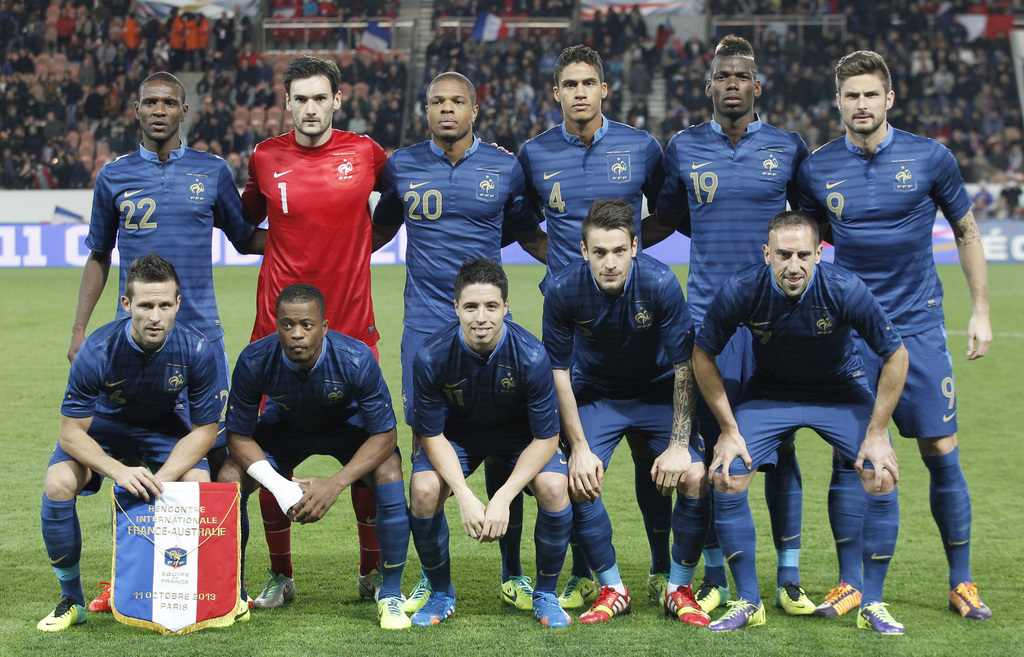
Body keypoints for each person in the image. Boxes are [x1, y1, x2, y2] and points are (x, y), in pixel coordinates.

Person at [798, 50, 993, 620]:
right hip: (853, 335)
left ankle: (962, 581)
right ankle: (850, 582)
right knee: (849, 458)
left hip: (918, 329)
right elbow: (805, 247)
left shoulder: (931, 157)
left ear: (889, 98)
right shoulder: (816, 168)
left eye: (870, 94)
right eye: (850, 95)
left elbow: (967, 230)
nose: (861, 105)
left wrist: (979, 310)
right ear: (838, 102)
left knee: (939, 452)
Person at [67, 71, 263, 613]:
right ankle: (127, 579)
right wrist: (82, 330)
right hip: (133, 350)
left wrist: (321, 233)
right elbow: (99, 254)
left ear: (184, 112)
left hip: (202, 344)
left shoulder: (212, 171)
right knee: (129, 450)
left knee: (223, 465)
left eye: (169, 102)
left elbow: (246, 238)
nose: (159, 110)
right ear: (136, 109)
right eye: (150, 101)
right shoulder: (114, 176)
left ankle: (231, 582)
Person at [644, 35, 813, 616]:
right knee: (714, 449)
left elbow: (813, 228)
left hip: (775, 325)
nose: (733, 83)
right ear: (710, 85)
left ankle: (788, 576)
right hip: (707, 324)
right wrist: (594, 251)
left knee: (781, 449)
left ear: (756, 86)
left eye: (743, 75)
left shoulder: (789, 149)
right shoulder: (684, 148)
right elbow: (666, 217)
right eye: (724, 75)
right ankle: (715, 573)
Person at [371, 71, 547, 614]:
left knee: (502, 444)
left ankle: (513, 573)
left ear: (476, 109)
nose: (447, 110)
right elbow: (373, 235)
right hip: (428, 332)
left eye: (458, 102)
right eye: (437, 102)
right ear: (425, 109)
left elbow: (528, 232)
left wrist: (577, 268)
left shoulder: (505, 166)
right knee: (431, 453)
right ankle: (434, 579)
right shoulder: (401, 166)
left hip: (489, 328)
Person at [694, 211, 908, 633]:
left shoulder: (845, 287)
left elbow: (895, 353)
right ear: (767, 253)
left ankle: (873, 604)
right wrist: (729, 429)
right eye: (784, 255)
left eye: (804, 255)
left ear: (819, 254)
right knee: (727, 473)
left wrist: (878, 433)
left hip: (839, 390)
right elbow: (703, 353)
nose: (794, 266)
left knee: (881, 473)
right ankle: (748, 601)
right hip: (772, 392)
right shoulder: (742, 288)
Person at [518, 43, 670, 610]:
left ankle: (660, 566)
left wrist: (626, 260)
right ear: (555, 93)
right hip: (571, 324)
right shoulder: (534, 154)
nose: (580, 92)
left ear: (605, 89)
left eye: (589, 83)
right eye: (569, 84)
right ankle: (586, 573)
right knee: (573, 457)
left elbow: (669, 210)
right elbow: (518, 221)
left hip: (632, 324)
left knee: (647, 456)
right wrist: (563, 263)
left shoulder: (641, 147)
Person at [242, 55, 386, 608]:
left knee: (376, 459)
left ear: (336, 101)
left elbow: (392, 207)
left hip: (352, 329)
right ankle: (281, 577)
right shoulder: (265, 157)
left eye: (319, 98)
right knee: (263, 462)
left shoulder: (366, 152)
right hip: (275, 336)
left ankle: (372, 574)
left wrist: (361, 246)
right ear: (287, 103)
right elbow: (243, 225)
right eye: (299, 98)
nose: (309, 108)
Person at [39, 254, 228, 631]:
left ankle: (175, 592)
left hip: (163, 433)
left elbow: (205, 431)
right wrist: (119, 472)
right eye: (144, 305)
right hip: (104, 434)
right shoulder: (97, 350)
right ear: (127, 305)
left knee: (197, 486)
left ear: (178, 303)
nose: (154, 316)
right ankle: (71, 598)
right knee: (58, 483)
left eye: (163, 305)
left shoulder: (198, 350)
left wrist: (163, 477)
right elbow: (71, 432)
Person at [542, 199, 708, 625]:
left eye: (619, 251)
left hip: (657, 393)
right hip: (599, 395)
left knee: (693, 475)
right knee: (577, 477)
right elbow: (558, 372)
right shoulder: (562, 290)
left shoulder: (660, 282)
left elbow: (685, 368)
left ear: (635, 246)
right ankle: (613, 588)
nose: (610, 262)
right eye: (599, 252)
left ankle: (679, 587)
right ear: (584, 251)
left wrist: (678, 445)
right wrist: (578, 447)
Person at [218, 284, 411, 629]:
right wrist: (277, 485)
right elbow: (238, 436)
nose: (296, 334)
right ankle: (239, 590)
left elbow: (385, 434)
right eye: (287, 325)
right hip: (284, 428)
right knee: (230, 477)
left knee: (390, 471)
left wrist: (336, 483)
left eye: (307, 325)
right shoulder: (255, 359)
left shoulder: (355, 357)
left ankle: (387, 588)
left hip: (347, 429)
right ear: (275, 325)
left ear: (325, 326)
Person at [406, 258, 572, 628]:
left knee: (554, 485)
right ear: (456, 308)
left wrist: (502, 497)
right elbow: (431, 434)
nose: (481, 317)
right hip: (458, 439)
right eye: (471, 307)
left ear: (506, 308)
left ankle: (545, 593)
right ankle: (440, 592)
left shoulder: (531, 356)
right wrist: (463, 494)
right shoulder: (431, 356)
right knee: (424, 489)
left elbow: (546, 437)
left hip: (520, 440)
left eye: (491, 306)